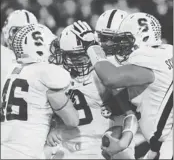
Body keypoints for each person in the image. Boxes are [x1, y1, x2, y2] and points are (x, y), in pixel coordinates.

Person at [72, 12, 173, 159]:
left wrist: (91, 46)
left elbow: (111, 78)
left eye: (125, 40)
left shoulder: (149, 59)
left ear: (143, 37)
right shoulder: (166, 51)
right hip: (162, 143)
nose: (120, 44)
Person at [1, 24, 79, 159]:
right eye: (51, 47)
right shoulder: (45, 72)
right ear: (39, 49)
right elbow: (73, 121)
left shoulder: (12, 70)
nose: (55, 51)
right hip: (25, 153)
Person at [45, 25, 110, 159]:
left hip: (99, 146)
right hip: (68, 145)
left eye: (84, 55)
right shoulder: (58, 76)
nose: (81, 61)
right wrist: (53, 127)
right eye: (75, 56)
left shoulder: (103, 75)